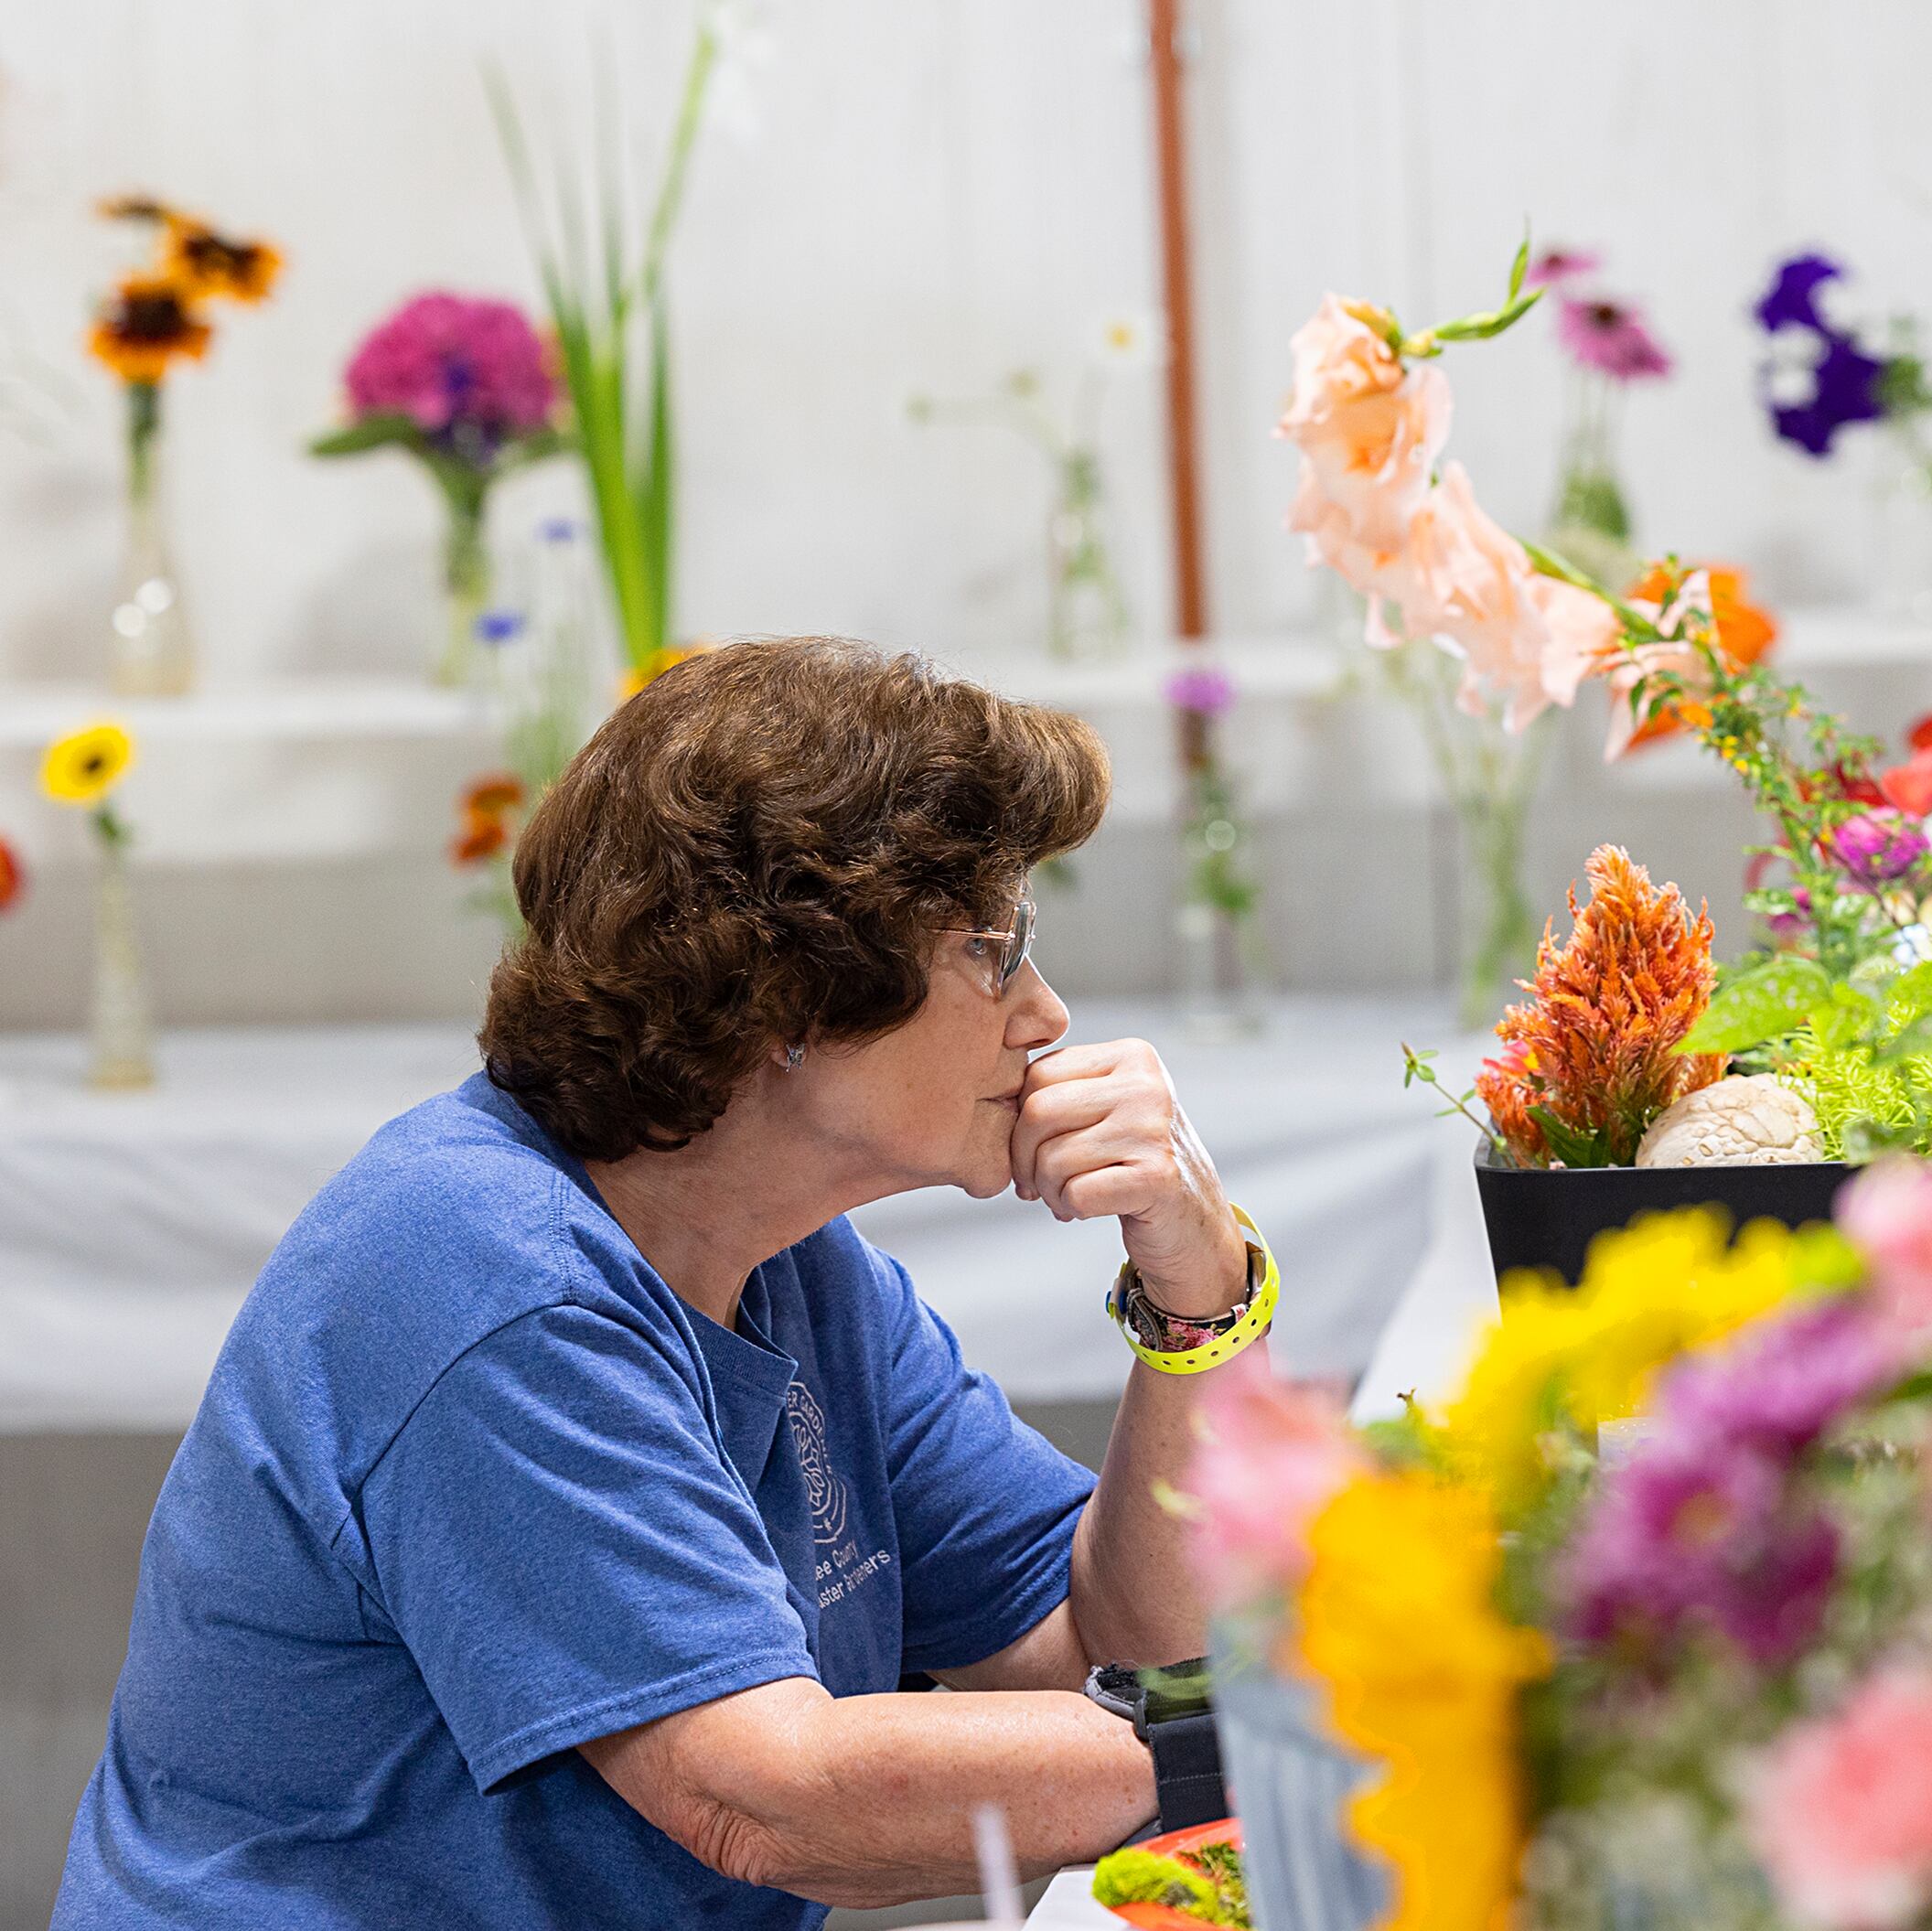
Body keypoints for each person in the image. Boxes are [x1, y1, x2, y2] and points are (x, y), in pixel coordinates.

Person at [55, 638, 1269, 1926]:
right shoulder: (486, 1276)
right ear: (789, 991)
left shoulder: (794, 1261)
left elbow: (1115, 1653)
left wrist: (1199, 1293)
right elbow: (762, 1798)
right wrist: (1267, 1751)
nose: (1044, 1014)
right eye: (992, 948)